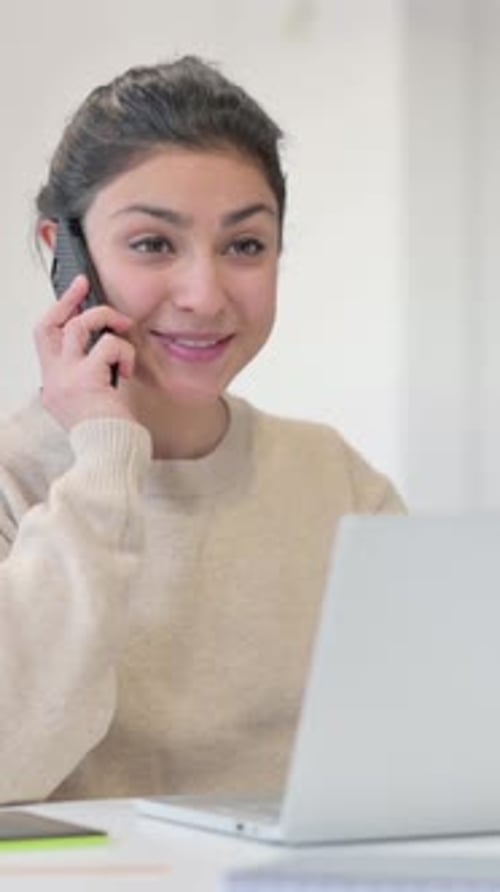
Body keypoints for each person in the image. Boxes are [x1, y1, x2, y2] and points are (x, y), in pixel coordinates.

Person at [0, 56, 404, 806]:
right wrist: (104, 459)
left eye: (244, 246)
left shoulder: (333, 479)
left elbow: (434, 743)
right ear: (65, 253)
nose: (203, 293)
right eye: (154, 243)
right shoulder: (15, 479)